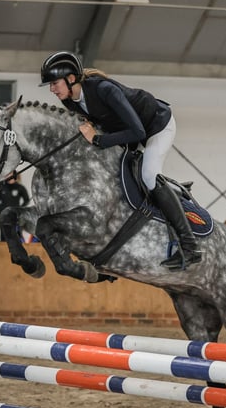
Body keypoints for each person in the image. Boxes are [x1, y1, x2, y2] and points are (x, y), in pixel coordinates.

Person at [40, 51, 201, 270]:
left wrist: (97, 139)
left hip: (155, 127)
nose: (52, 89)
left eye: (54, 83)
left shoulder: (105, 90)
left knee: (148, 176)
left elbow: (137, 131)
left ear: (70, 79)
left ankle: (190, 246)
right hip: (128, 132)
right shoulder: (71, 101)